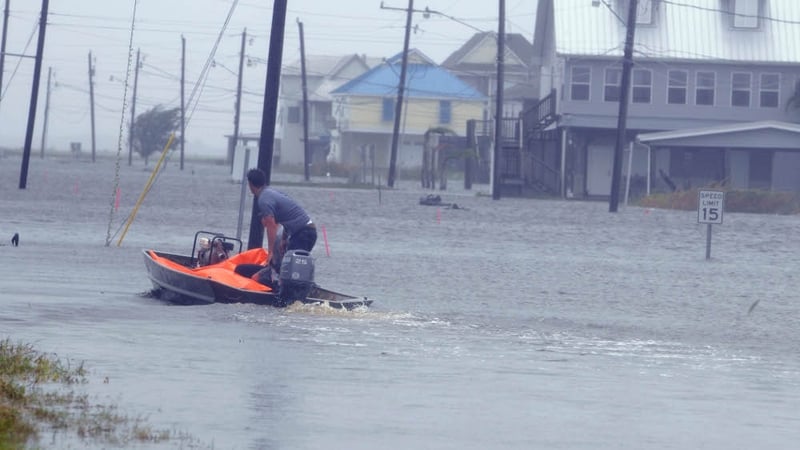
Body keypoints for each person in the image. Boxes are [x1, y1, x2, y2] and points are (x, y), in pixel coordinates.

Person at [242, 168, 317, 285]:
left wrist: (271, 251)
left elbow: (271, 225)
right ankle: (288, 287)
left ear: (251, 184)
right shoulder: (272, 193)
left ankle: (288, 292)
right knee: (289, 267)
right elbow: (287, 218)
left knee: (289, 268)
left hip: (303, 233)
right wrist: (283, 239)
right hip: (306, 231)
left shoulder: (263, 200)